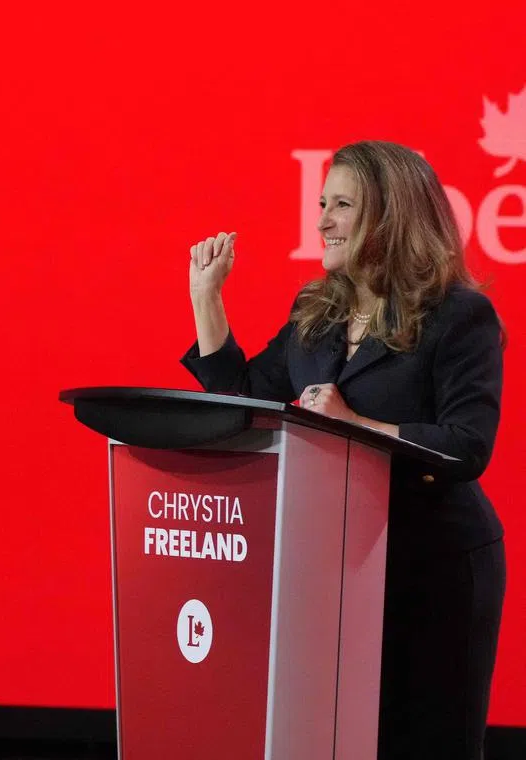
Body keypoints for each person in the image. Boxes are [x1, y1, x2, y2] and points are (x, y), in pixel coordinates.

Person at [181, 140, 505, 759]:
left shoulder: (460, 317)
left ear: (389, 216)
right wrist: (207, 299)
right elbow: (247, 400)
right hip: (337, 570)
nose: (321, 219)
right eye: (322, 202)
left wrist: (353, 424)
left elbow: (467, 446)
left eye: (341, 205)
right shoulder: (317, 314)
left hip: (435, 568)